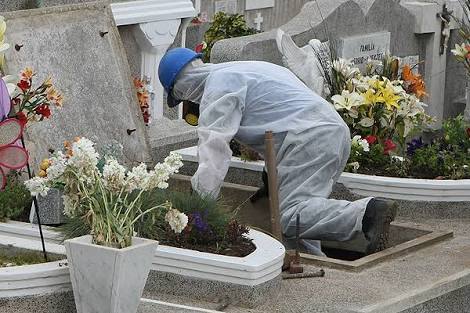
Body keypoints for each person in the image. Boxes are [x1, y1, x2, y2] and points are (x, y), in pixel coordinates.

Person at [158, 48, 397, 256]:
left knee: (290, 216)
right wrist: (270, 179)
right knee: (303, 214)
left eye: (181, 99)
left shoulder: (218, 87)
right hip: (330, 131)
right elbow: (279, 113)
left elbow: (213, 152)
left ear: (181, 89)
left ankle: (367, 213)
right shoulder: (245, 69)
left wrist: (200, 208)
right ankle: (313, 265)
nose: (189, 105)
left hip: (308, 139)